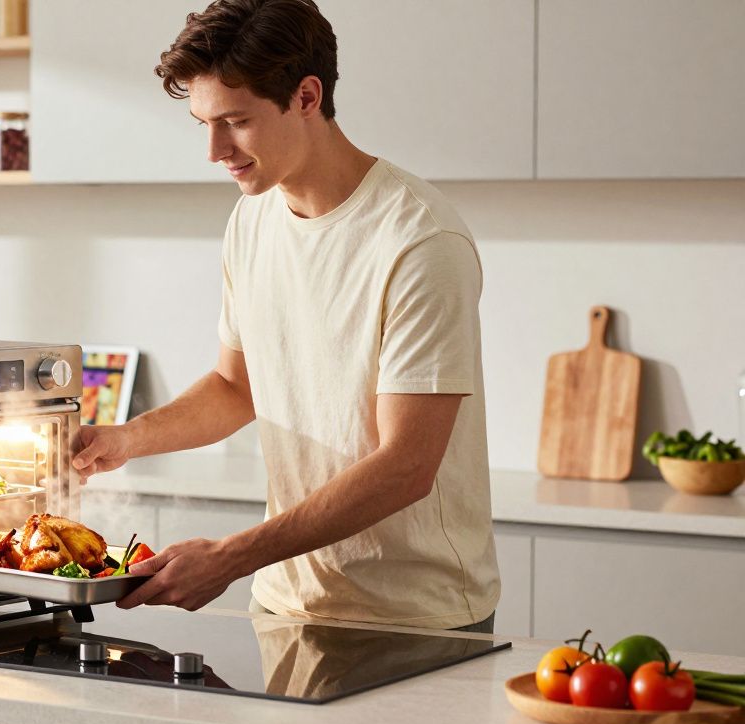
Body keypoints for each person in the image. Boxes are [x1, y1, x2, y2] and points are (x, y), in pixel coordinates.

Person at [71, 0, 500, 633]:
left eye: (236, 121)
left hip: (413, 616)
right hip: (285, 602)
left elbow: (407, 465)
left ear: (306, 96)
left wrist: (231, 557)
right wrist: (126, 439)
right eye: (204, 123)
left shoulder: (419, 240)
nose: (214, 150)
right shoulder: (254, 217)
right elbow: (235, 387)